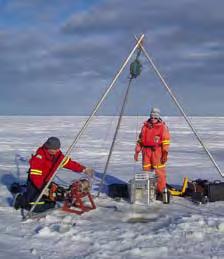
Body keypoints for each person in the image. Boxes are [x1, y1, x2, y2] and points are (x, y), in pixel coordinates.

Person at [13, 136, 94, 213]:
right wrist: (42, 189)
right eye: (54, 149)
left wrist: (83, 169)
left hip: (47, 181)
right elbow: (35, 177)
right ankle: (20, 199)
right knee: (33, 204)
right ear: (47, 147)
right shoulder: (39, 157)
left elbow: (69, 163)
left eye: (57, 149)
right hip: (35, 182)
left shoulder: (58, 155)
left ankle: (41, 197)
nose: (56, 151)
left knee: (52, 200)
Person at [134, 108, 170, 195]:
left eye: (155, 117)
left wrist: (165, 153)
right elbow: (140, 140)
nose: (153, 119)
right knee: (146, 171)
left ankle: (161, 191)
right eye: (152, 117)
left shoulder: (162, 127)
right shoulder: (145, 126)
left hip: (157, 151)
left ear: (158, 118)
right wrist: (137, 151)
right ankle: (148, 190)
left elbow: (166, 141)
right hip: (146, 151)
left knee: (159, 172)